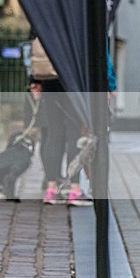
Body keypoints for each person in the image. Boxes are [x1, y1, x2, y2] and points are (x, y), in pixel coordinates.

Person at [29, 37, 92, 206]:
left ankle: (51, 190)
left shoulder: (44, 14)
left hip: (48, 80)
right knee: (74, 136)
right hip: (71, 81)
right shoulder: (72, 16)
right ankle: (75, 189)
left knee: (53, 135)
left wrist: (34, 80)